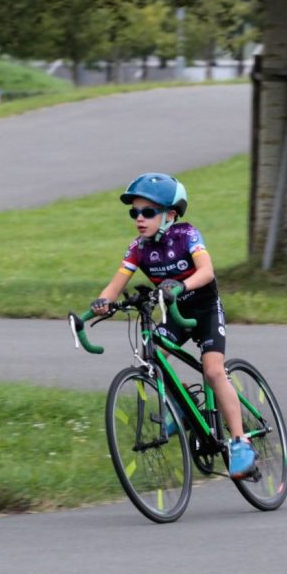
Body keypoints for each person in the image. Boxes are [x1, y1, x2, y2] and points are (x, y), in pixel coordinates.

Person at [90, 172, 257, 479]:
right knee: (153, 355)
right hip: (173, 312)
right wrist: (102, 303)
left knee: (213, 370)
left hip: (204, 310)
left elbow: (206, 271)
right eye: (134, 213)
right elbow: (115, 285)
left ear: (170, 214)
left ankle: (240, 442)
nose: (139, 219)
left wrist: (181, 286)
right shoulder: (138, 247)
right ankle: (181, 407)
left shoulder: (187, 235)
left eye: (148, 212)